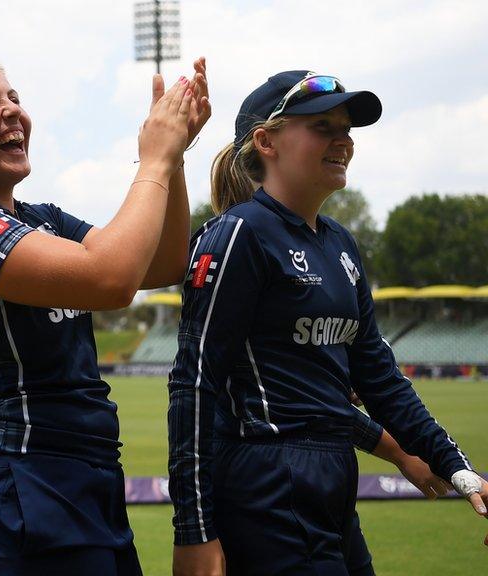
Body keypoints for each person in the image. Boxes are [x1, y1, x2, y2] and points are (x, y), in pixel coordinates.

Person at [0, 48, 209, 575]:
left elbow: (162, 264)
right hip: (11, 490)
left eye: (14, 98)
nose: (11, 110)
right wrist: (154, 160)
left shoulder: (42, 220)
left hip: (86, 477)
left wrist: (177, 155)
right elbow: (112, 278)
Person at [167, 70, 487, 576]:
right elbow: (194, 386)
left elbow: (378, 376)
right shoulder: (237, 235)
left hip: (334, 474)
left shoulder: (340, 243)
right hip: (268, 481)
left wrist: (456, 466)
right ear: (266, 141)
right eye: (322, 126)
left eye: (347, 129)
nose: (344, 141)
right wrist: (193, 531)